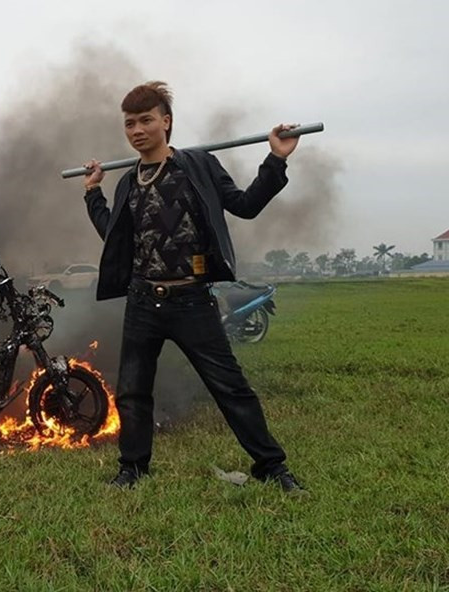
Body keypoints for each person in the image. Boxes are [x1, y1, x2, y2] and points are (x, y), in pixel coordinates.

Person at [81, 81, 305, 493]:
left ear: (166, 121)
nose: (137, 130)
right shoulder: (127, 182)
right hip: (143, 302)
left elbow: (246, 206)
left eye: (146, 120)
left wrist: (276, 159)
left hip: (192, 302)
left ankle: (272, 467)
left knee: (231, 387)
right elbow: (114, 236)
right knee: (132, 392)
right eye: (129, 123)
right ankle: (132, 468)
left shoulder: (198, 165)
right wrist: (93, 192)